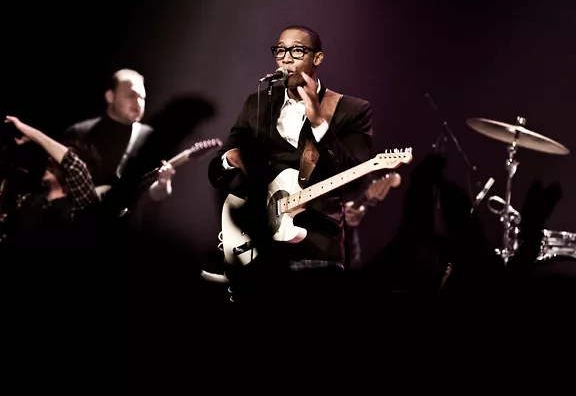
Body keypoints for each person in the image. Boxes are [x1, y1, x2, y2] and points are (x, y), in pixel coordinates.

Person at [207, 25, 373, 308]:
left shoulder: (351, 110)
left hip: (317, 246)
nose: (285, 58)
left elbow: (355, 178)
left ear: (317, 58)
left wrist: (319, 124)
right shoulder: (257, 104)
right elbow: (218, 172)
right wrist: (228, 159)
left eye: (297, 51)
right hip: (260, 248)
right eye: (280, 50)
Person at [62, 69, 175, 206]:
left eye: (142, 97)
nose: (138, 102)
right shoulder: (78, 133)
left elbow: (153, 195)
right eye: (131, 95)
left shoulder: (151, 138)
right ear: (110, 97)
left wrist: (163, 185)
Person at [2, 115, 99, 247]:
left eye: (56, 158)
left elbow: (74, 164)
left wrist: (33, 135)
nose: (50, 158)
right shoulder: (30, 199)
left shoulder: (81, 205)